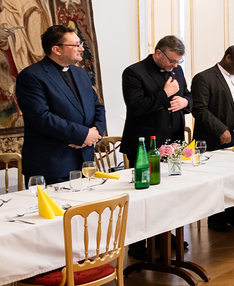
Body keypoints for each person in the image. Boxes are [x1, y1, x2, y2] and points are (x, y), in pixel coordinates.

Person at [17, 25, 105, 185]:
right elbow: (41, 117)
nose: (81, 48)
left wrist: (96, 131)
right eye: (76, 45)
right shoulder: (31, 76)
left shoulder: (81, 73)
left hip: (85, 162)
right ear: (56, 49)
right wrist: (83, 134)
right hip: (52, 165)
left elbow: (97, 106)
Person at [192, 45, 234, 232]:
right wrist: (220, 129)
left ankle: (232, 215)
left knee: (233, 178)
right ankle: (216, 221)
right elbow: (199, 110)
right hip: (215, 138)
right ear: (227, 58)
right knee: (217, 180)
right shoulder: (204, 78)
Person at [121, 35, 191, 167]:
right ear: (159, 53)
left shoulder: (177, 70)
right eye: (172, 61)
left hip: (174, 142)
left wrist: (185, 102)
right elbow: (136, 107)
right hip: (146, 145)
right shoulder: (134, 72)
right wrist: (165, 94)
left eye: (178, 61)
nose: (175, 65)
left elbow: (188, 95)